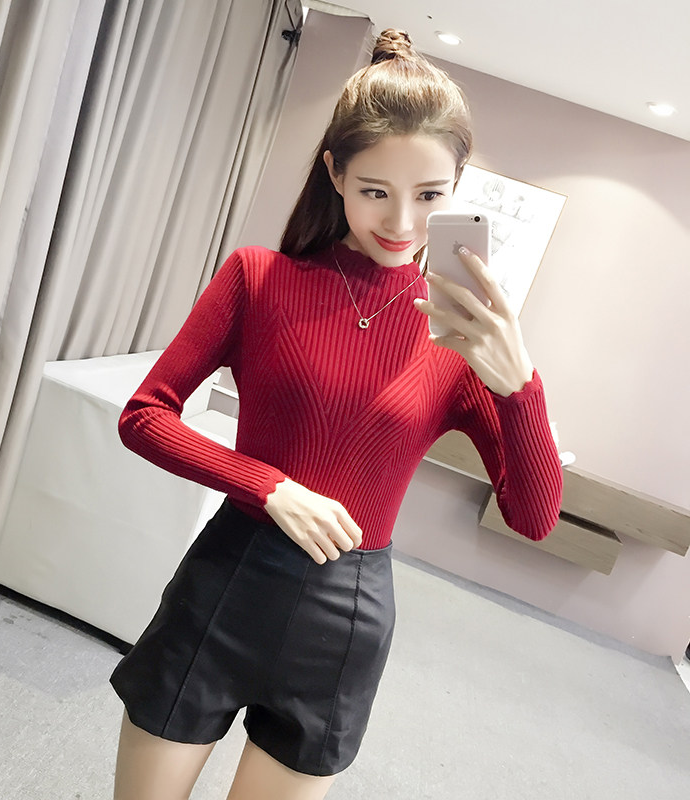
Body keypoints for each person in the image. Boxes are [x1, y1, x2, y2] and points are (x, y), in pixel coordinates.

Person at [109, 29, 563, 800]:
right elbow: (145, 415)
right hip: (224, 585)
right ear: (335, 173)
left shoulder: (457, 337)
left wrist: (522, 388)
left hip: (343, 623)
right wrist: (269, 487)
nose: (403, 222)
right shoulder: (259, 278)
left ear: (458, 187)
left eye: (431, 196)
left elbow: (534, 515)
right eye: (375, 191)